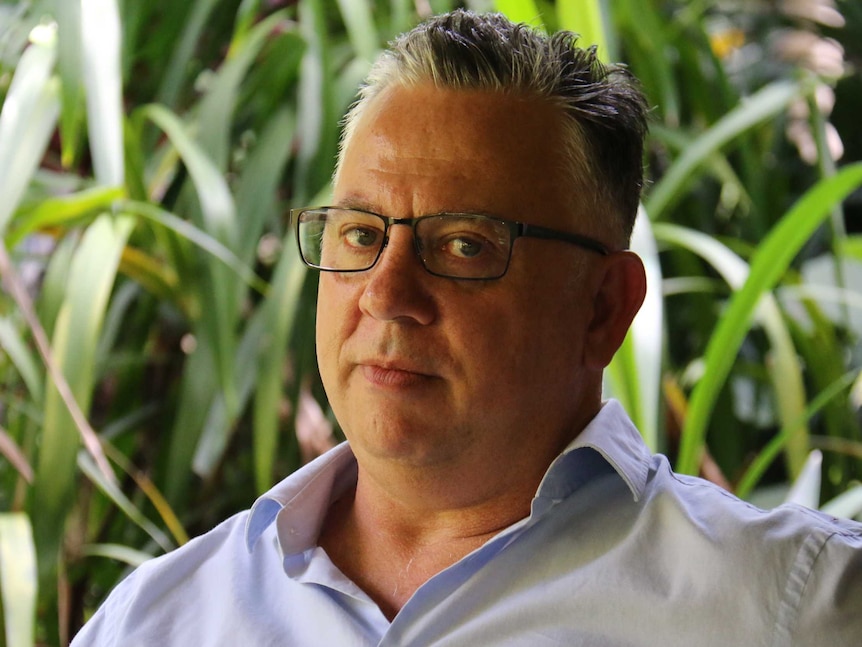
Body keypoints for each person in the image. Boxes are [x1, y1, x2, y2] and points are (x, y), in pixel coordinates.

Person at [73, 9, 861, 646]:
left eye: (463, 245)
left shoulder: (794, 607)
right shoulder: (155, 619)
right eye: (359, 233)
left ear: (602, 308)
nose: (386, 292)